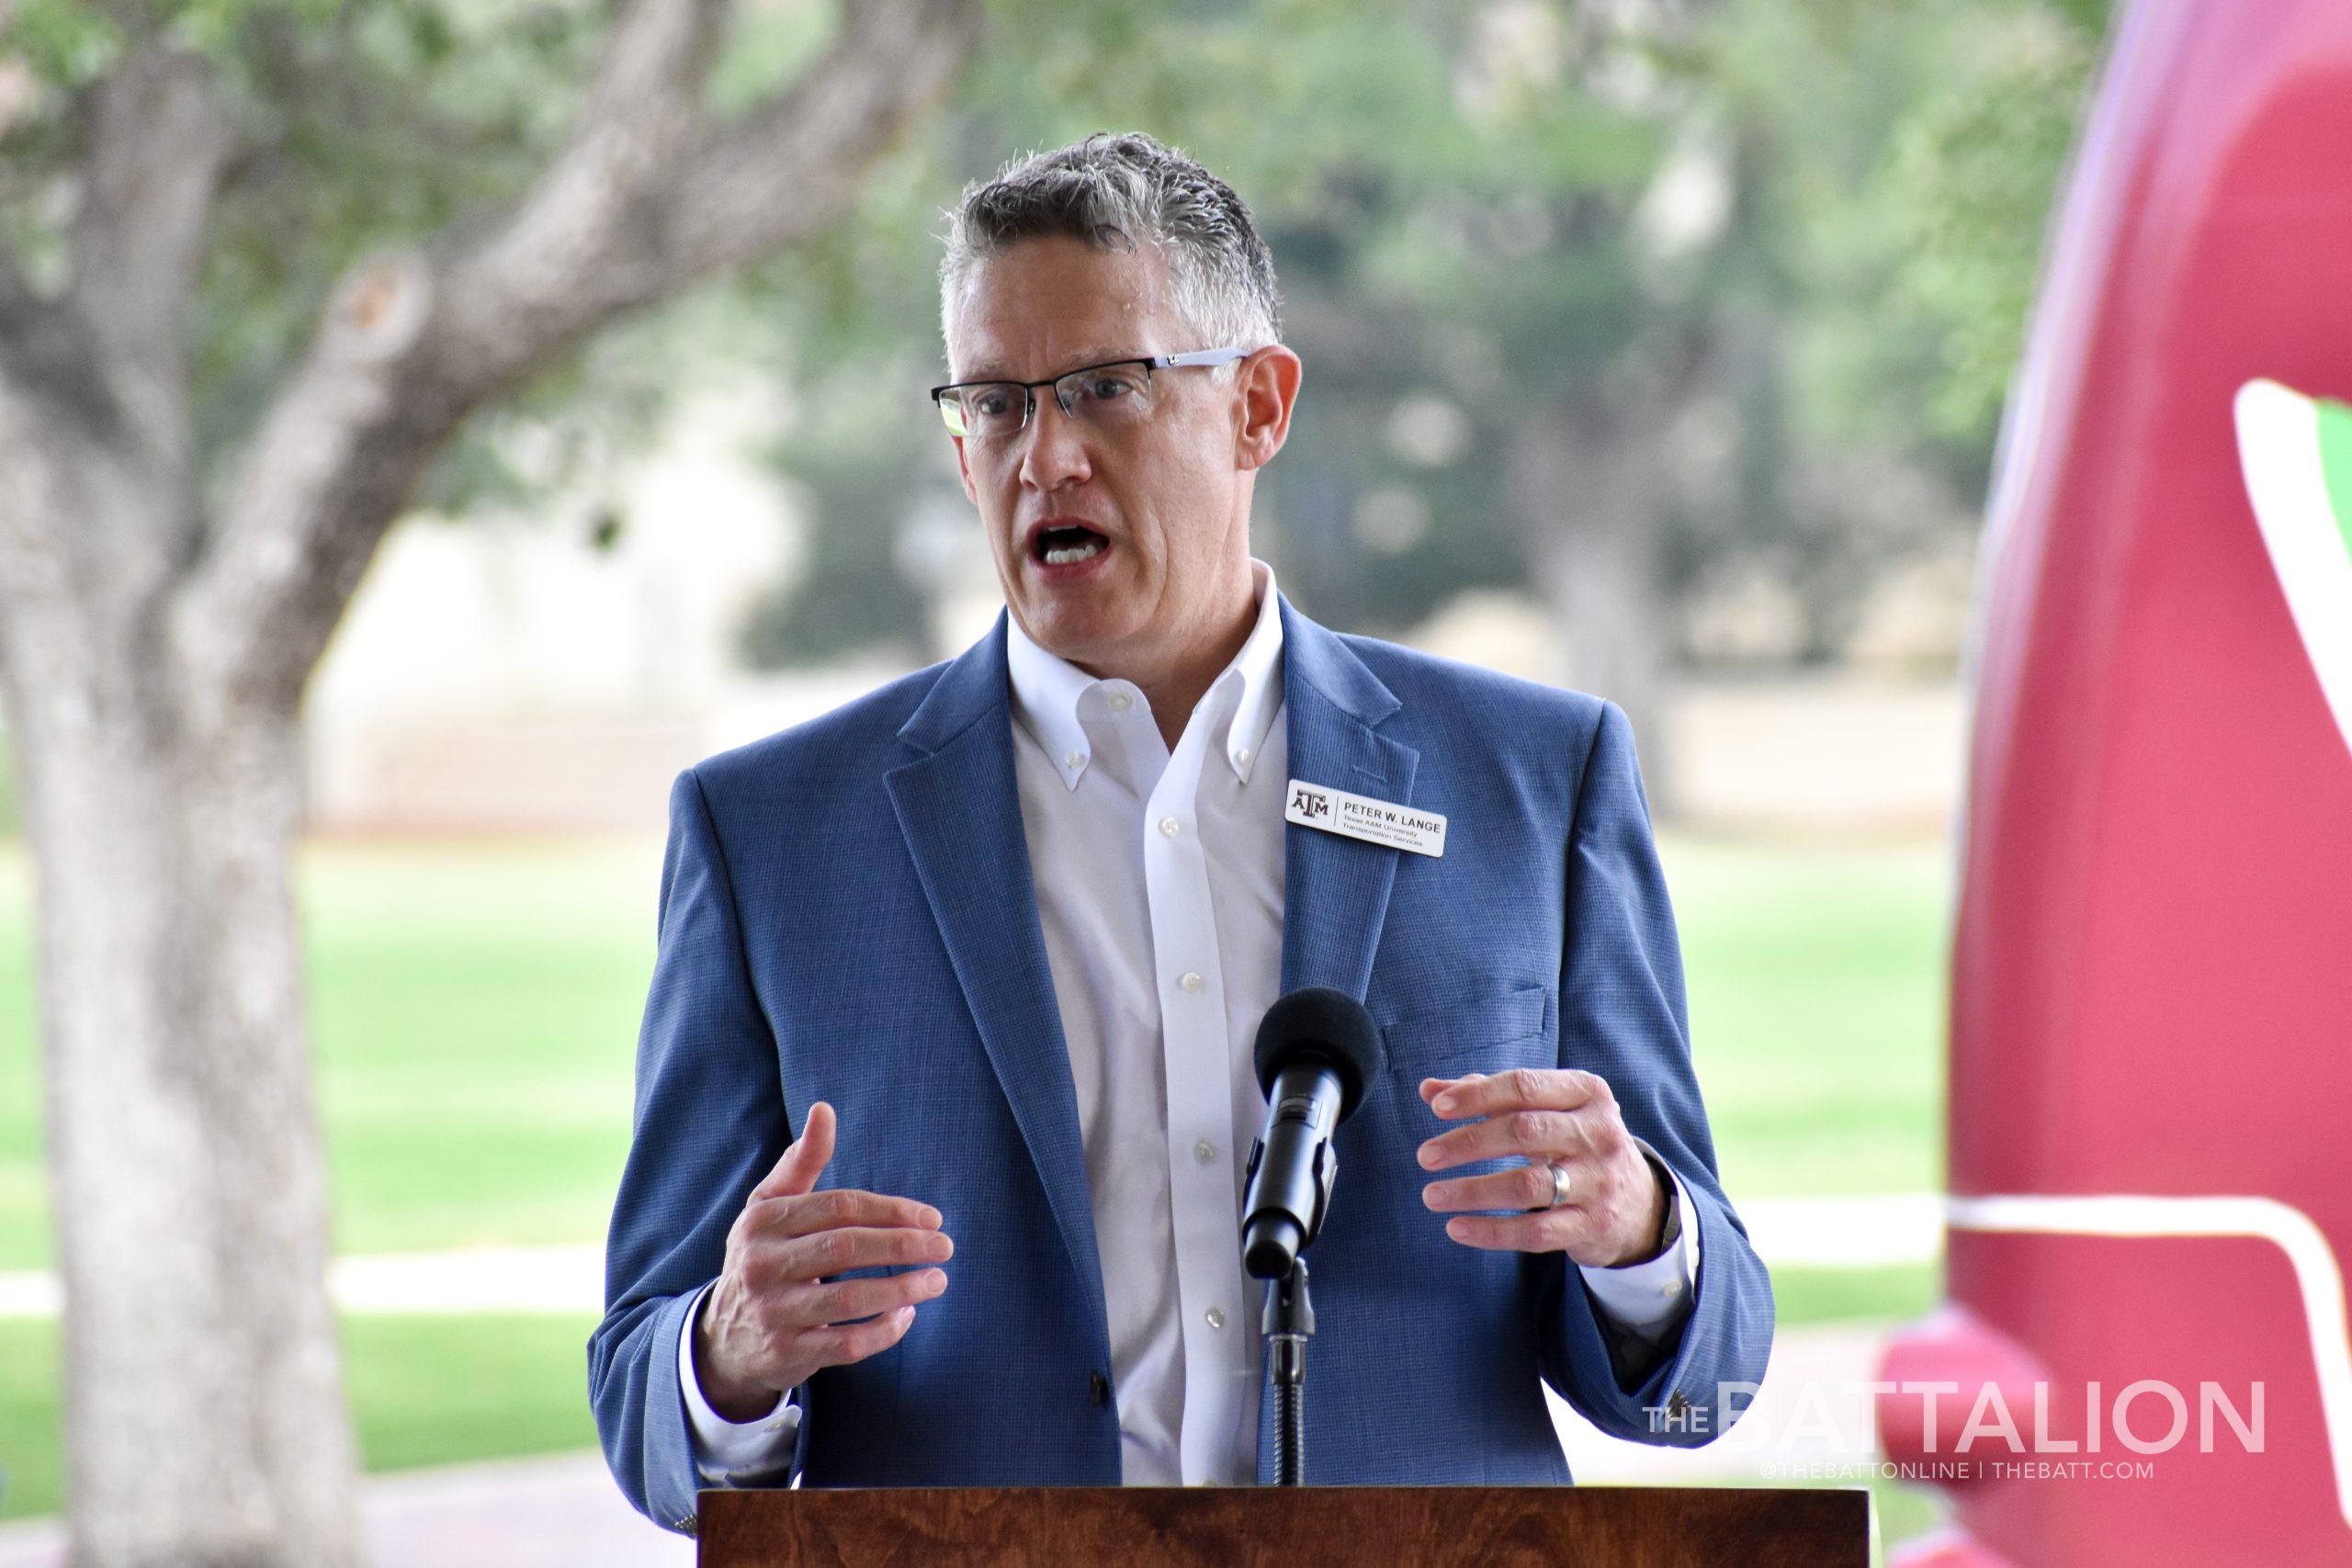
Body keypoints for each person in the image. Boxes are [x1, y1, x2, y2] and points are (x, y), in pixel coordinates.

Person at [590, 131, 1771, 1537]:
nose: (1045, 456)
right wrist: (728, 1354)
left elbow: (1708, 1380)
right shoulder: (769, 835)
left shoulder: (1535, 778)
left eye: (1103, 388)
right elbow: (643, 1411)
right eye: (995, 402)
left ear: (1258, 407)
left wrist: (1635, 1231)